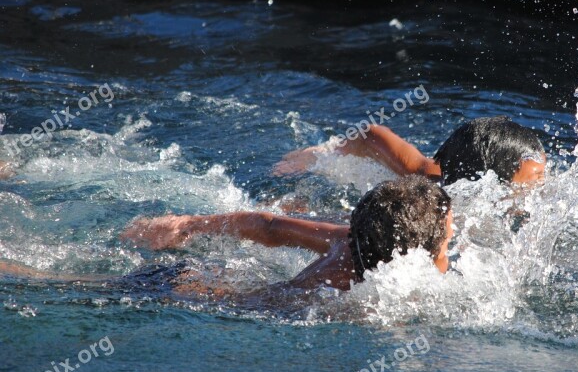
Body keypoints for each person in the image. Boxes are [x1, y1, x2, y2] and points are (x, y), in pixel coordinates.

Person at [0, 176, 453, 299]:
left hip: (203, 278)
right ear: (421, 249)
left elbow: (271, 227)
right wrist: (185, 227)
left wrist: (185, 226)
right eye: (448, 233)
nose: (452, 237)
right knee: (55, 284)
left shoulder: (354, 238)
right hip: (194, 293)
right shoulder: (361, 292)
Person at [274, 115, 547, 186]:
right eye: (535, 177)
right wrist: (316, 156)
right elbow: (370, 134)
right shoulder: (424, 177)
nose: (542, 184)